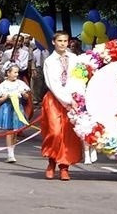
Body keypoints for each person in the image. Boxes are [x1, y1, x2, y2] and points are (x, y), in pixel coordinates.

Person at [41, 30, 83, 181]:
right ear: (54, 42)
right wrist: (66, 100)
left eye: (65, 41)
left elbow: (79, 77)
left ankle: (64, 167)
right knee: (55, 131)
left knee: (69, 133)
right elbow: (53, 83)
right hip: (55, 99)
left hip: (72, 99)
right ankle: (51, 162)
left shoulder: (74, 58)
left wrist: (77, 97)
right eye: (60, 41)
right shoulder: (50, 61)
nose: (63, 44)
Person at [0, 64, 31, 163]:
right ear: (8, 73)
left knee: (15, 132)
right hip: (7, 109)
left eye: (17, 72)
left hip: (17, 109)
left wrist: (23, 93)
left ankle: (12, 150)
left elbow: (27, 97)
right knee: (9, 131)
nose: (16, 74)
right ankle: (10, 154)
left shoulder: (20, 84)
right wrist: (5, 97)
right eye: (14, 72)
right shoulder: (4, 85)